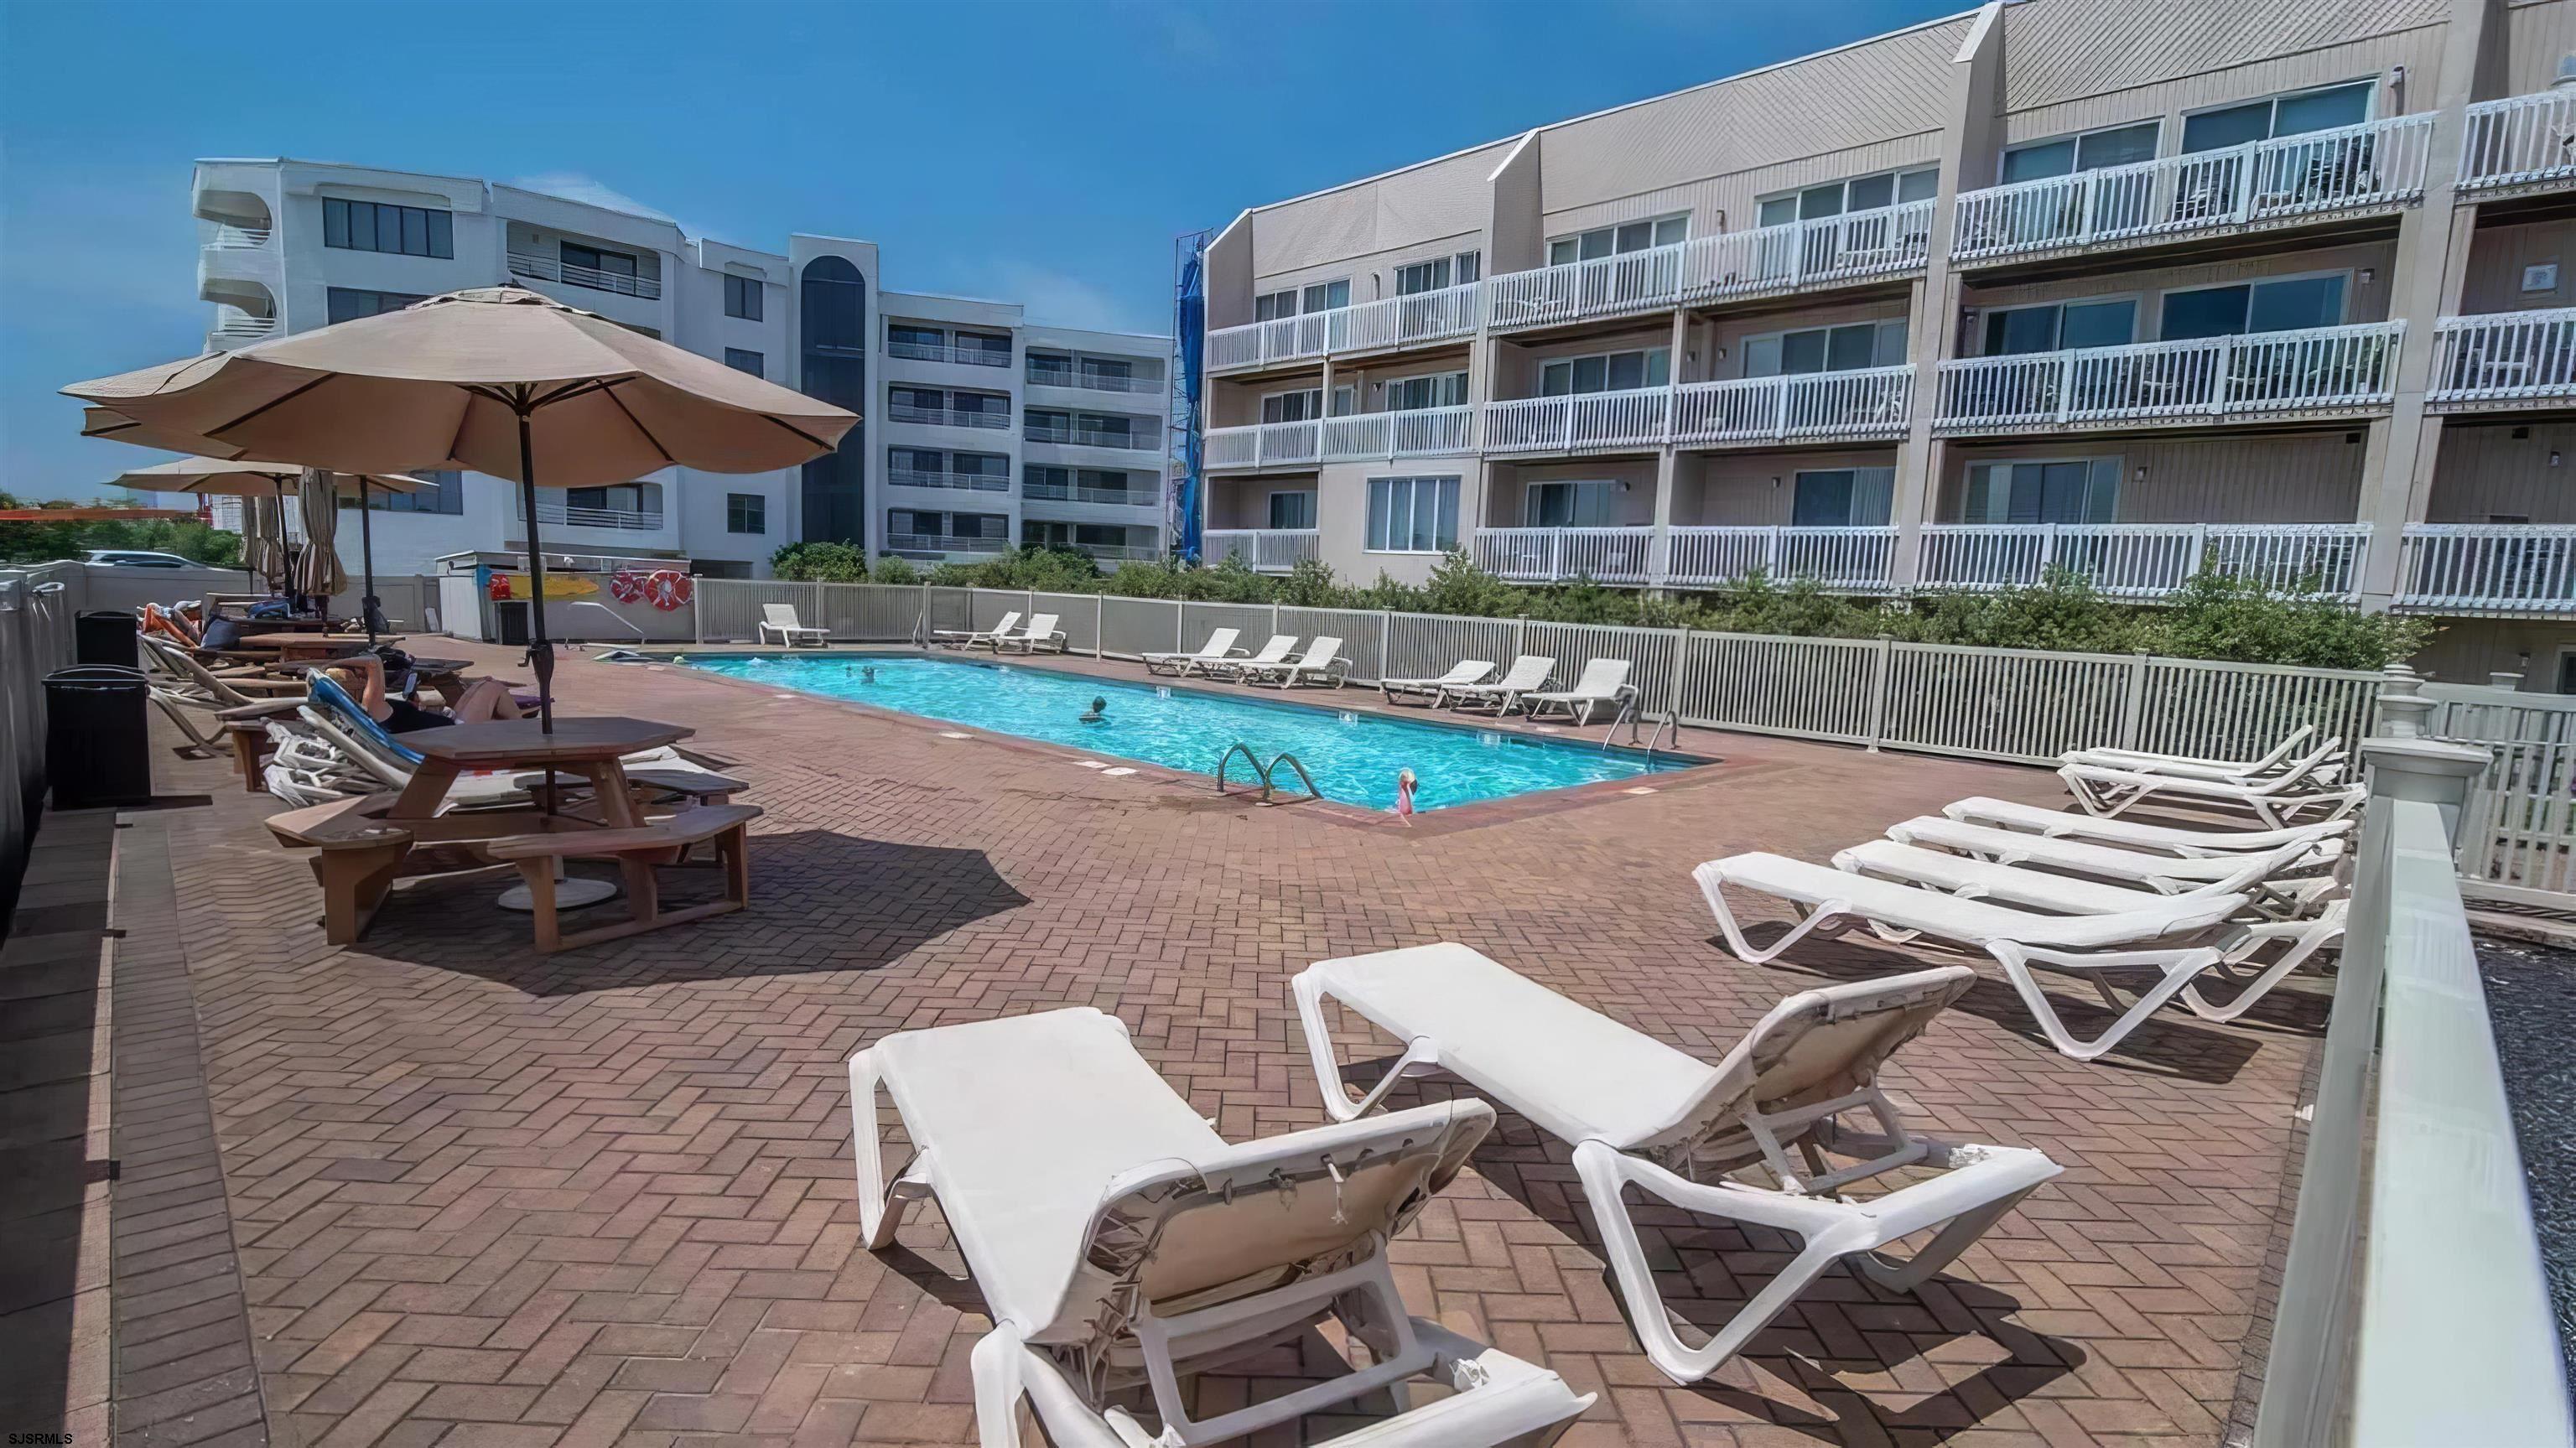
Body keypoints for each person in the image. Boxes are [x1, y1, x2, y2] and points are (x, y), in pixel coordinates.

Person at [319, 653, 523, 734]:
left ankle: (517, 731)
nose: (363, 678)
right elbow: (374, 661)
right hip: (455, 734)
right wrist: (335, 662)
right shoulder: (371, 706)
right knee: (492, 686)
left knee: (480, 685)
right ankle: (524, 735)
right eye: (357, 675)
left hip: (448, 725)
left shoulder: (363, 711)